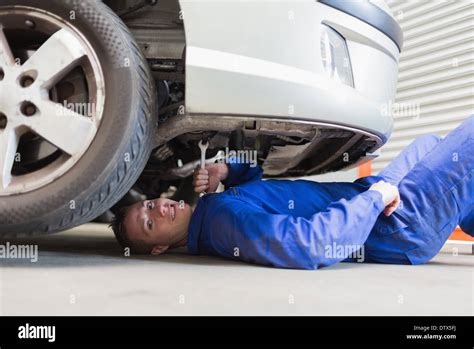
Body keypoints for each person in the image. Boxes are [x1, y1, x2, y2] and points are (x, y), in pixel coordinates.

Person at [110, 116, 473, 269]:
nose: (158, 209)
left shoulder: (211, 211)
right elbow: (306, 244)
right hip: (395, 222)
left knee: (430, 142)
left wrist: (227, 169)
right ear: (160, 248)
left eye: (150, 205)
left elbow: (256, 179)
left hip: (377, 205)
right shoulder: (222, 224)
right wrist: (375, 199)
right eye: (149, 223)